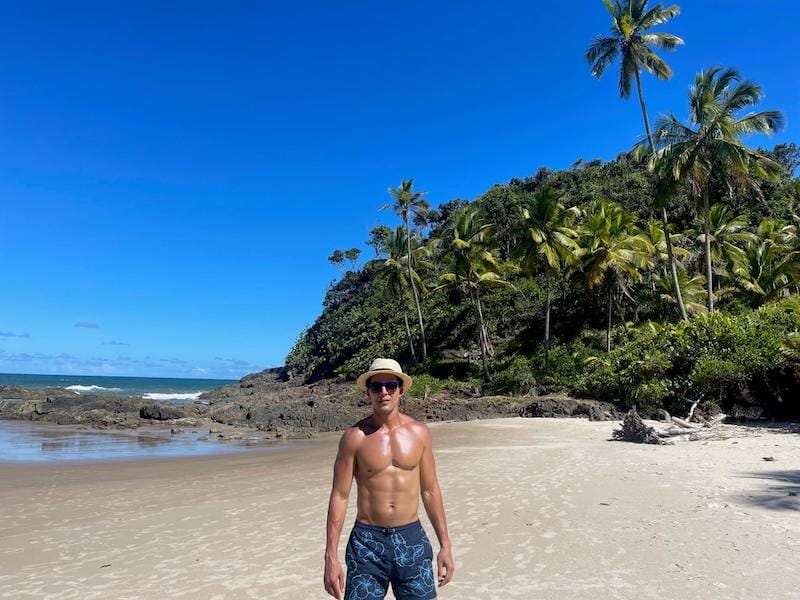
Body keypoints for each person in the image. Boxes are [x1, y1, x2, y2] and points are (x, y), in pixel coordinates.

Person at [324, 358, 454, 600]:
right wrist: (331, 557)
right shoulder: (355, 437)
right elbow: (339, 496)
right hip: (367, 544)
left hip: (412, 539)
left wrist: (445, 545)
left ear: (400, 390)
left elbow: (430, 490)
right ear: (368, 392)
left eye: (390, 385)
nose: (383, 392)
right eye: (376, 387)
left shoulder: (419, 433)